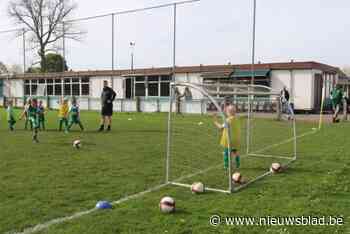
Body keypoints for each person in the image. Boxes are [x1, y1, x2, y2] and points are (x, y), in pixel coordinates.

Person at [213, 105, 241, 170]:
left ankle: (226, 166)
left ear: (228, 112)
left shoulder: (228, 120)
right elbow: (229, 116)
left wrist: (215, 122)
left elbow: (220, 127)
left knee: (226, 153)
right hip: (236, 139)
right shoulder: (236, 118)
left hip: (229, 139)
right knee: (235, 152)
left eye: (227, 112)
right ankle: (237, 164)